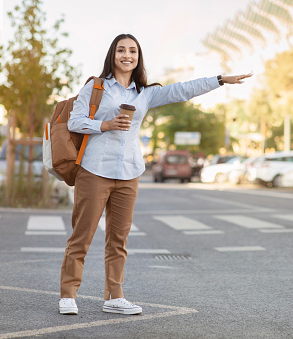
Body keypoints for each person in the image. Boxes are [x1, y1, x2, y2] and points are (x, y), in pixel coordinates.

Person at [58, 33, 252, 315]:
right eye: (121, 50)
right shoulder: (96, 87)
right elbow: (75, 120)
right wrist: (106, 125)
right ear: (113, 55)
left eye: (133, 51)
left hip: (129, 172)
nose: (127, 55)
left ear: (138, 58)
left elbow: (183, 89)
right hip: (95, 170)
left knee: (118, 240)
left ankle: (114, 296)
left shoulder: (144, 93)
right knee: (82, 234)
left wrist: (220, 80)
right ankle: (68, 294)